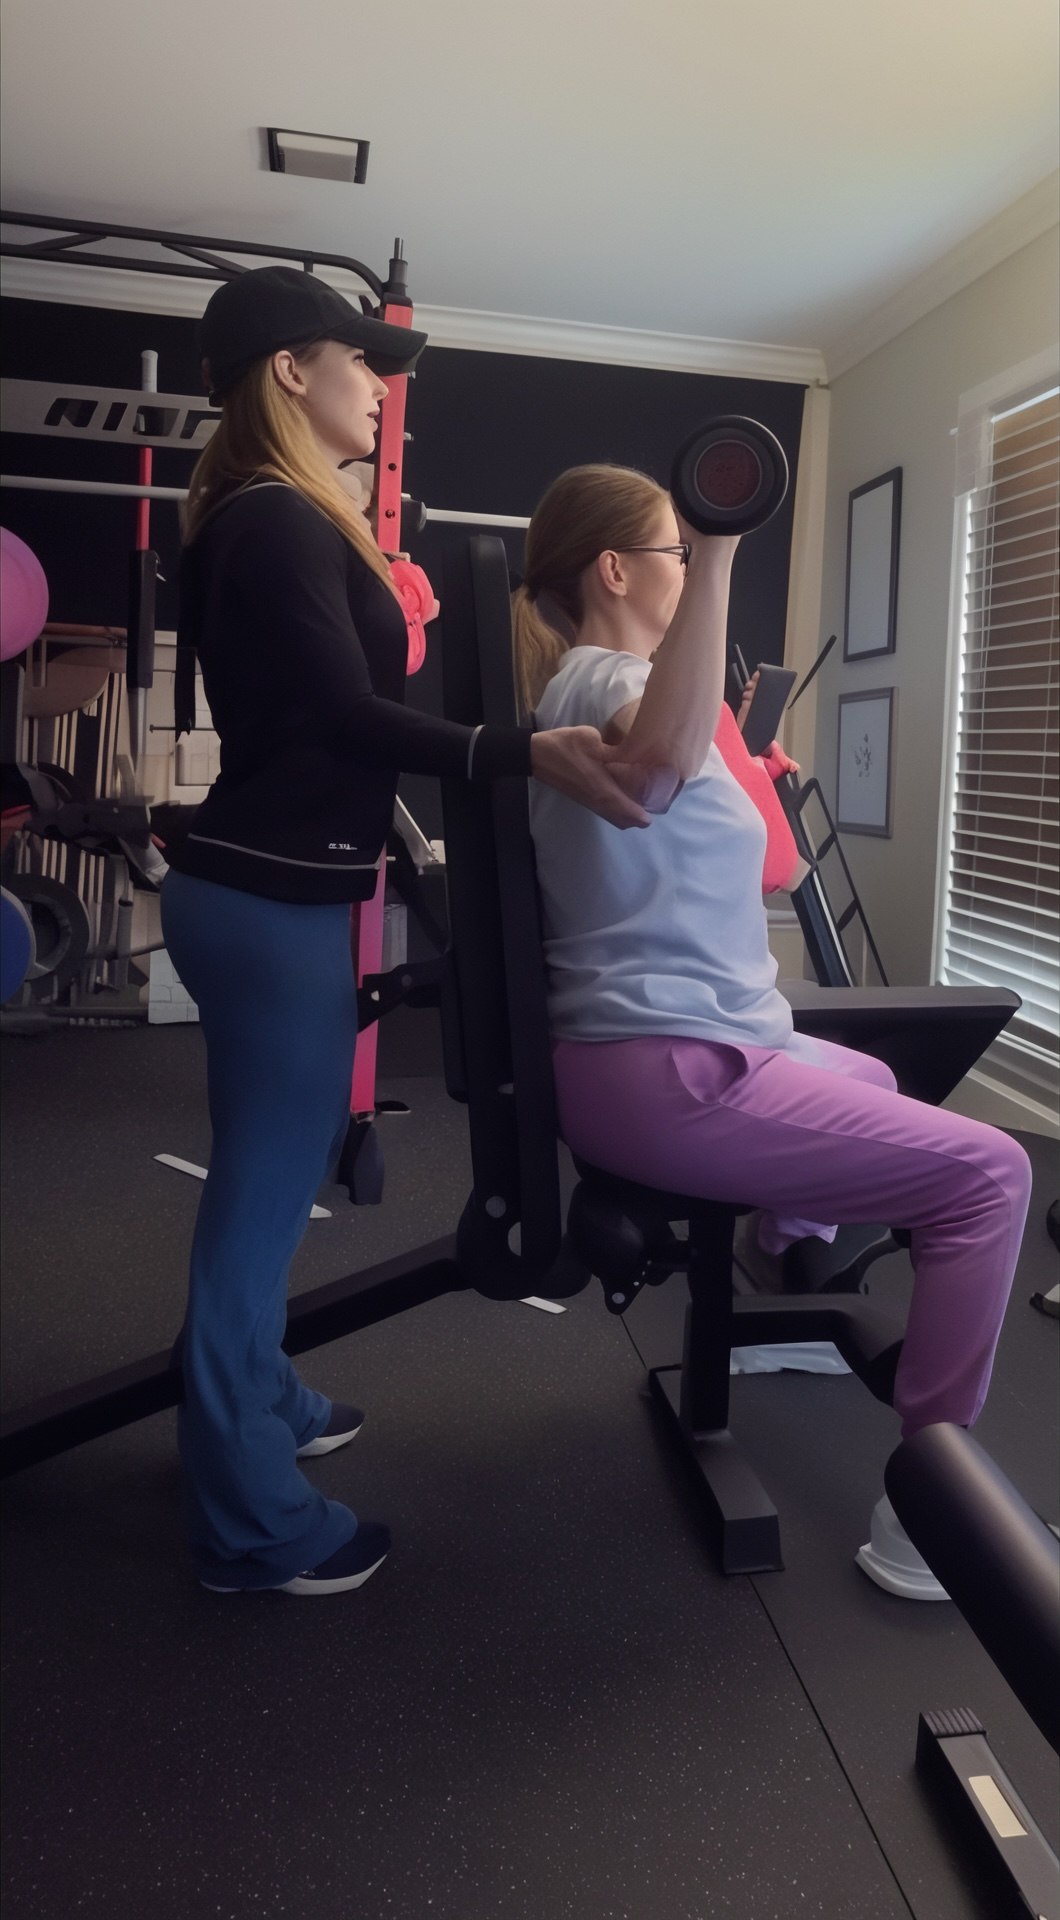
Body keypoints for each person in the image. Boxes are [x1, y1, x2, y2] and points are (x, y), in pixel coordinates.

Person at [161, 270, 652, 1599]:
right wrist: (520, 751)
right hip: (268, 904)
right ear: (288, 375)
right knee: (259, 1211)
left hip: (279, 889)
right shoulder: (271, 524)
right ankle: (249, 1525)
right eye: (359, 364)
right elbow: (334, 713)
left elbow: (326, 699)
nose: (382, 388)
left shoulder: (281, 521)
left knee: (275, 1172)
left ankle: (254, 1396)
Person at [515, 462, 1033, 1596]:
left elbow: (771, 858)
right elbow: (647, 773)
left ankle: (775, 1271)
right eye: (671, 551)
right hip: (667, 1070)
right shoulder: (596, 677)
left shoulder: (641, 687)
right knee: (990, 1174)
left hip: (699, 1042)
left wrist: (739, 745)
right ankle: (927, 1508)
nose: (687, 567)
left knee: (873, 1072)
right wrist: (726, 550)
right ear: (617, 569)